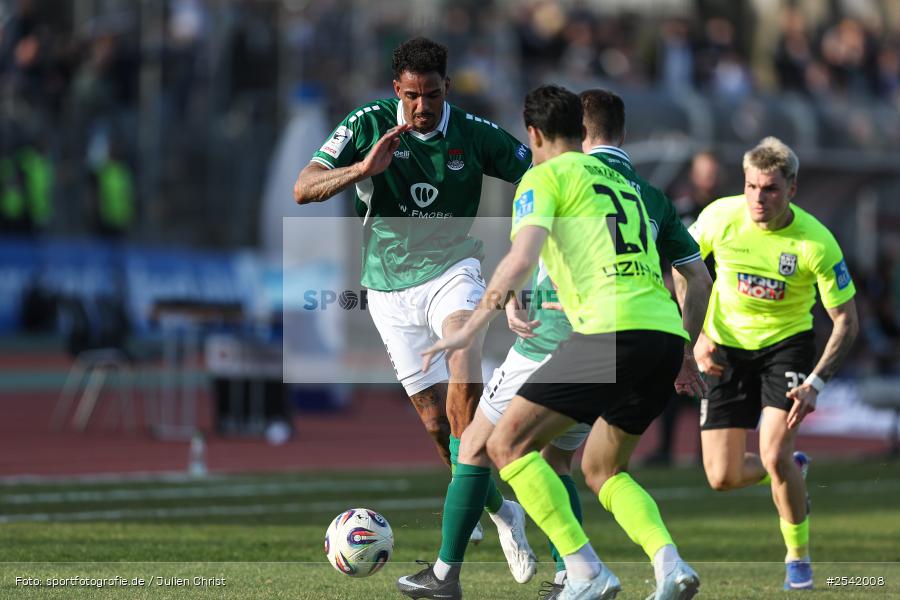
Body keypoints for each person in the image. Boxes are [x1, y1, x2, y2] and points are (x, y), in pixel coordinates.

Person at [414, 84, 701, 600]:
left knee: (502, 445)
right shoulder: (631, 185)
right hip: (663, 334)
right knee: (602, 468)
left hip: (609, 330)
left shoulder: (543, 176)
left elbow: (523, 257)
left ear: (534, 134)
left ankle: (584, 571)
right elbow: (689, 275)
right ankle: (670, 564)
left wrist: (471, 324)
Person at [293, 36, 534, 570]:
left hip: (454, 271)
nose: (422, 107)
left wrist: (526, 254)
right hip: (386, 289)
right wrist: (362, 171)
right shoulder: (365, 124)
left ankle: (456, 539)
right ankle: (500, 511)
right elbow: (303, 188)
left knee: (461, 374)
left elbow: (536, 179)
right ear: (395, 90)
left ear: (447, 86)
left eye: (432, 94)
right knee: (436, 425)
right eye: (411, 96)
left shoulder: (473, 135)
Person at [680, 137, 859, 591]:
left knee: (773, 452)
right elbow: (682, 270)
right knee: (721, 477)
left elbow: (846, 321)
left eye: (771, 189)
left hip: (786, 348)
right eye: (751, 187)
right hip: (723, 348)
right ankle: (792, 473)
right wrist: (696, 336)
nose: (758, 198)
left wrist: (816, 381)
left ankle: (797, 559)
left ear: (792, 189)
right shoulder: (720, 216)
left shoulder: (816, 241)